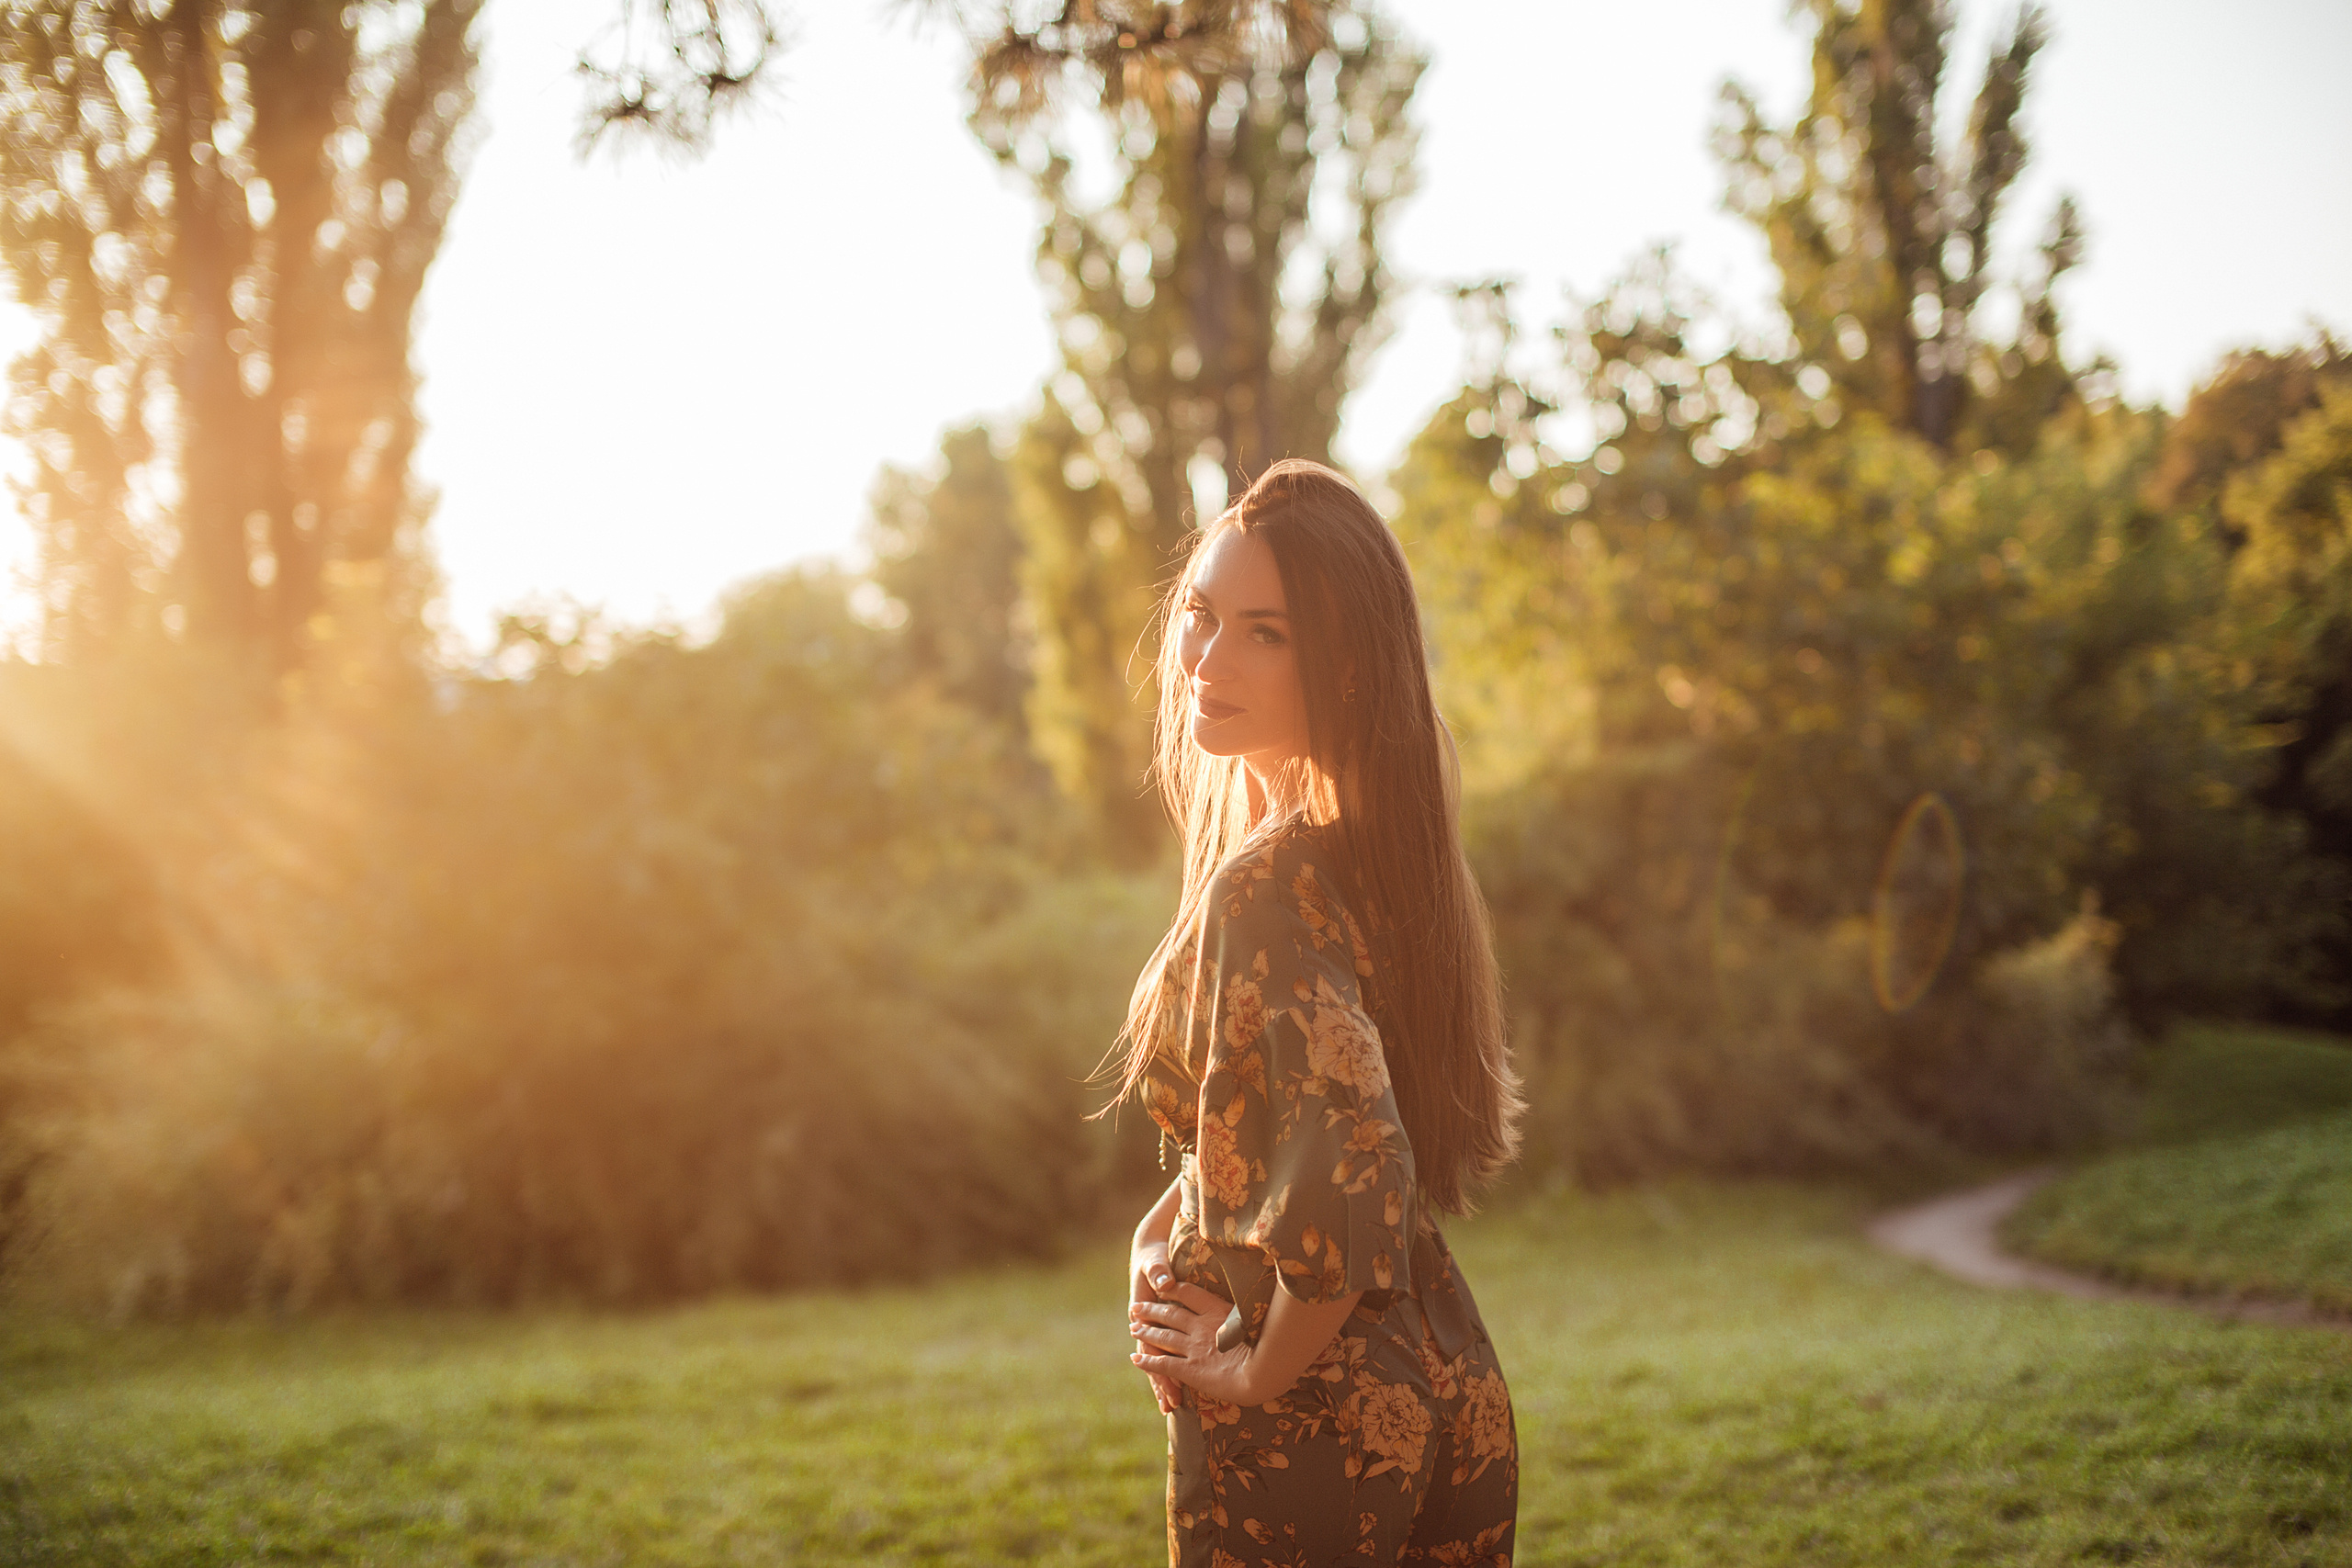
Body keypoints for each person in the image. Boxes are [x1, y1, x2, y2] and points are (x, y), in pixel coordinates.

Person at [1115, 458, 1525, 1566]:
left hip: (1313, 1421)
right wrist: (1164, 1228)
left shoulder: (1269, 887)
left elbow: (1359, 1161)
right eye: (1201, 615)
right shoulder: (1374, 850)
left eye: (1267, 633)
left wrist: (1253, 1374)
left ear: (1344, 669)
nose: (1206, 659)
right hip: (1438, 1376)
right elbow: (1289, 1114)